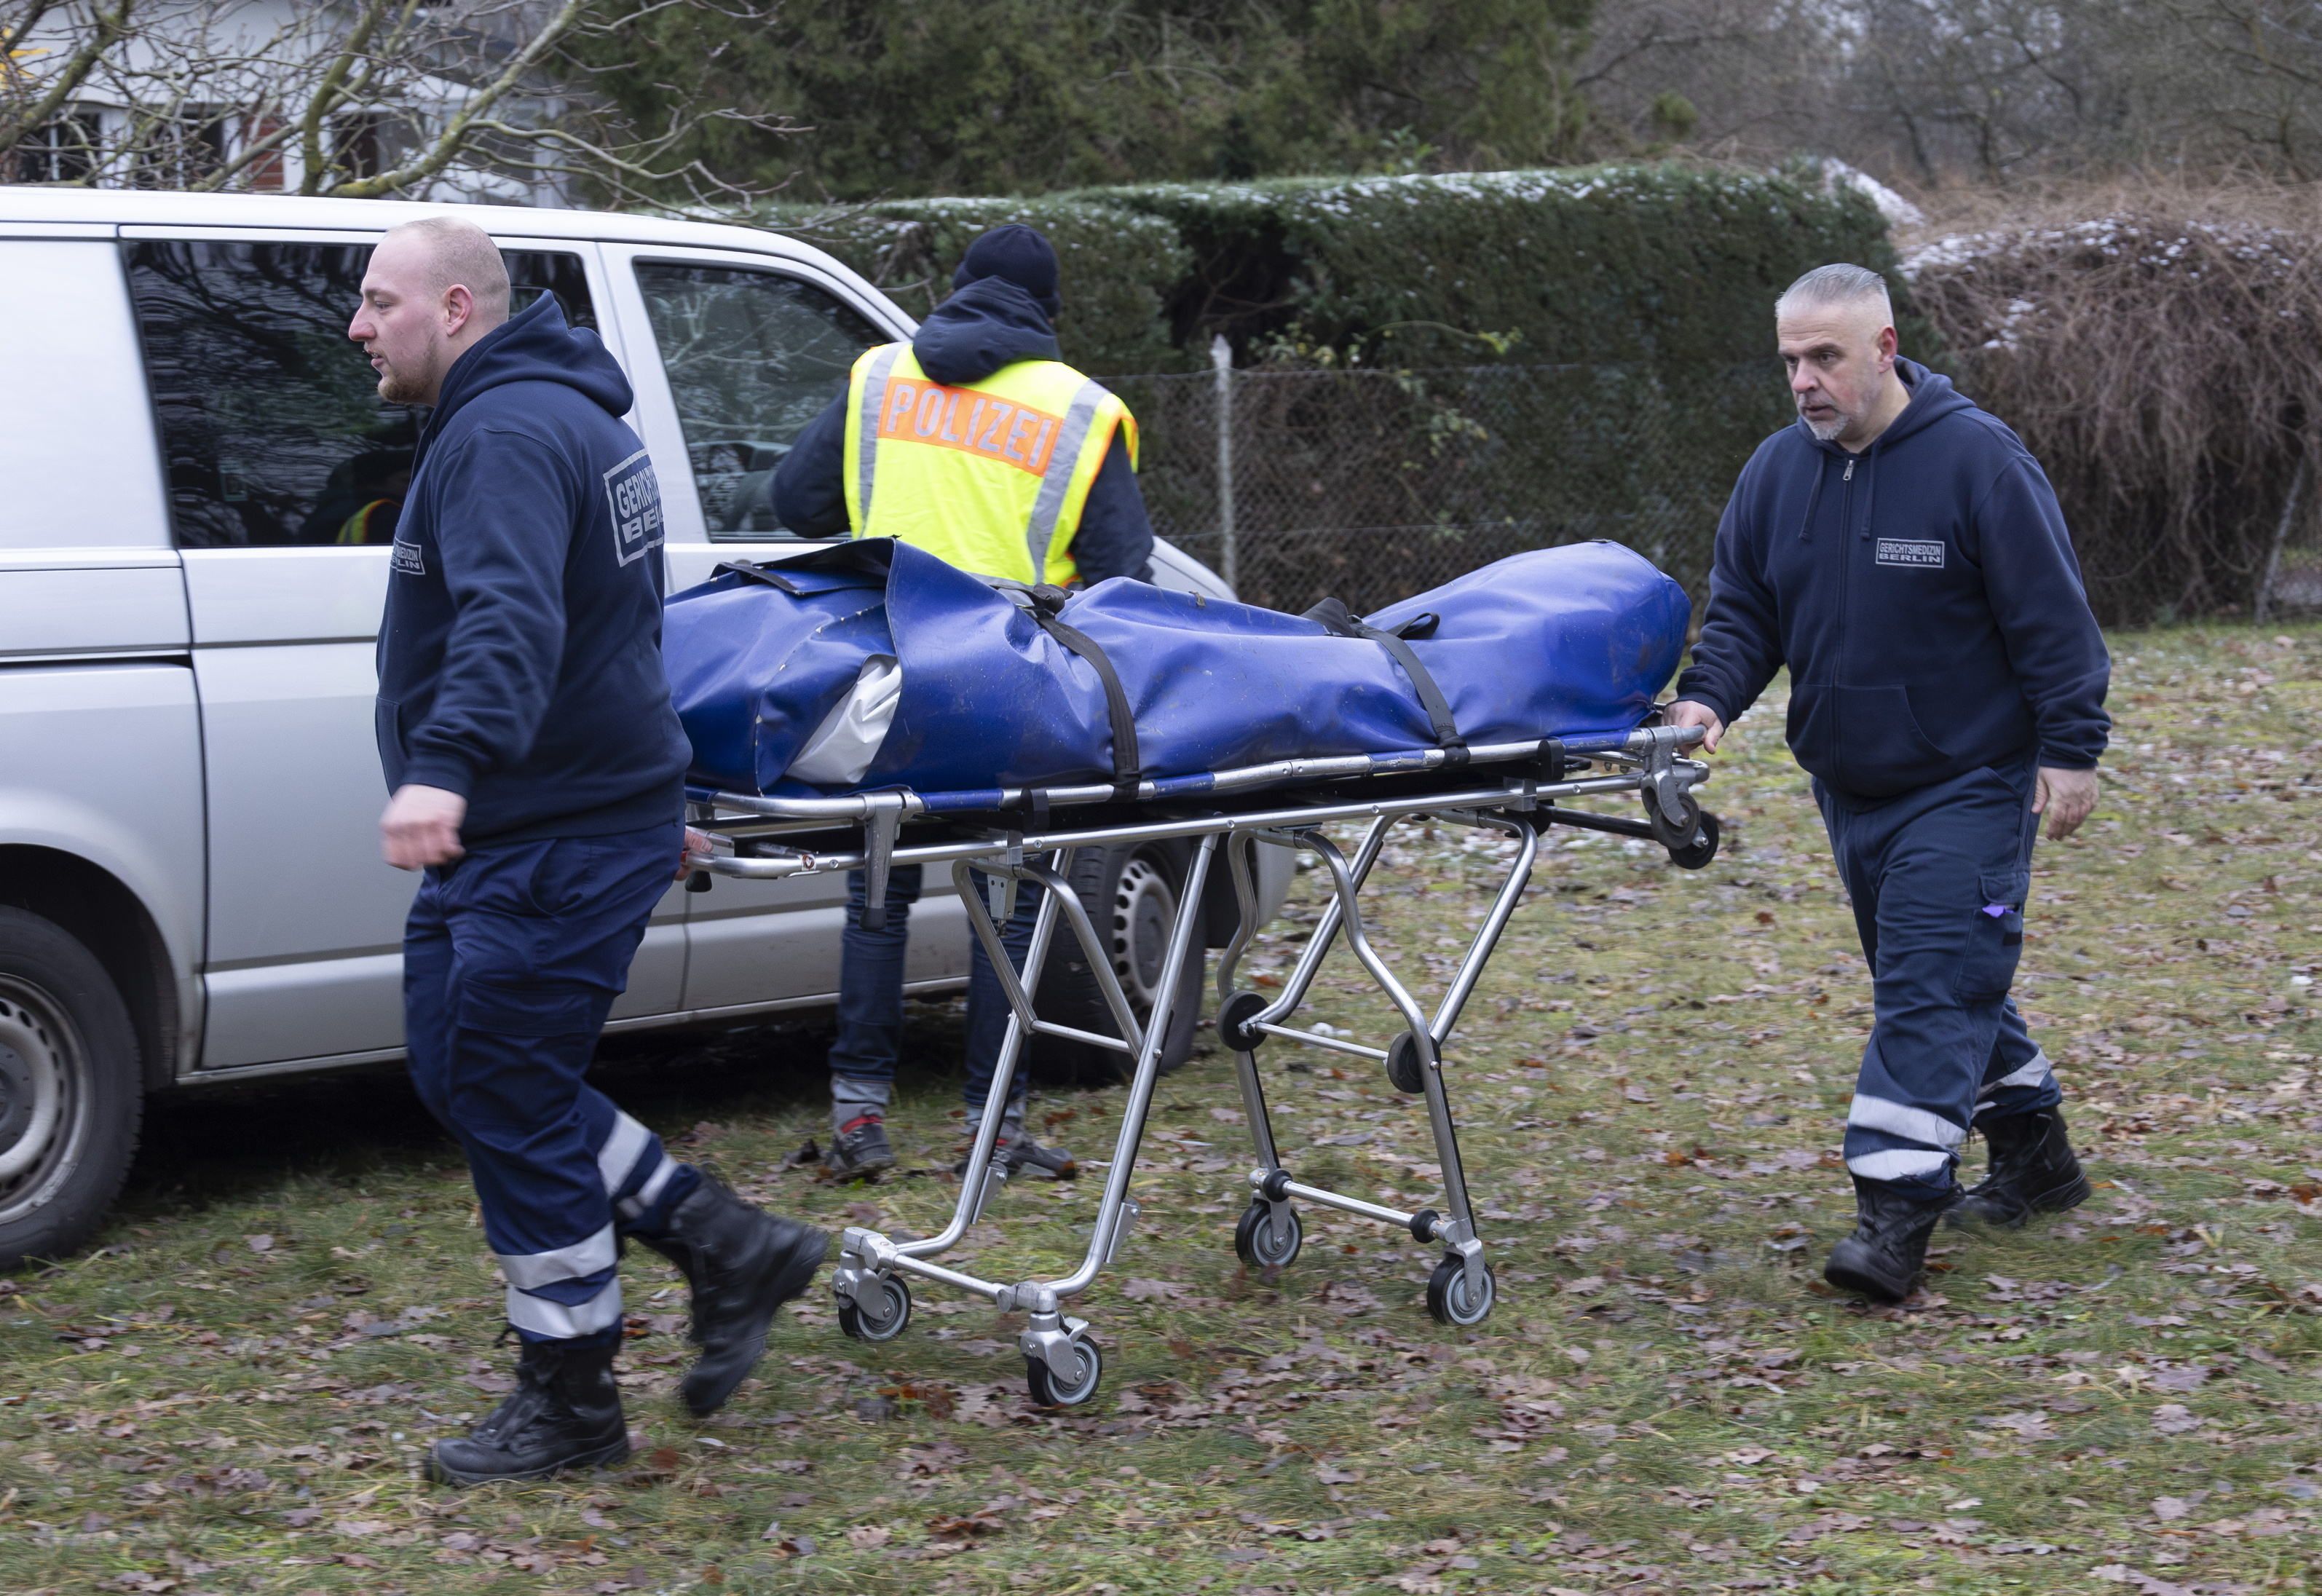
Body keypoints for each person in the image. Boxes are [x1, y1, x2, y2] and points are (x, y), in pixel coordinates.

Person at [355, 217, 827, 1485]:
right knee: (469, 1071)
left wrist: (444, 768)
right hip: (554, 820)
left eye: (379, 301)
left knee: (503, 1088)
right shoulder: (569, 419)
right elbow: (612, 627)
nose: (359, 327)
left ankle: (570, 1397)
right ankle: (721, 1239)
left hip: (542, 833)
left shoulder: (508, 432)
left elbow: (513, 621)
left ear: (456, 307)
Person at [1668, 263, 2109, 1305]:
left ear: (1883, 346)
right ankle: (2035, 1157)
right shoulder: (1775, 474)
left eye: (1824, 357)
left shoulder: (1977, 463)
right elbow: (1743, 615)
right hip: (1848, 785)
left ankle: (1892, 1214)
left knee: (1925, 984)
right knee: (1942, 974)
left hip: (1968, 776)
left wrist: (2070, 750)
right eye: (1788, 361)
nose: (1804, 383)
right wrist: (1703, 704)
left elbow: (2053, 620)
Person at [771, 224, 1156, 1182]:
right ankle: (995, 1130)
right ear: (1046, 313)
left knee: (875, 901)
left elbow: (794, 502)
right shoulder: (1078, 410)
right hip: (1005, 689)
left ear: (958, 292)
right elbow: (1125, 578)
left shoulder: (877, 379)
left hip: (885, 675)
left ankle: (858, 1122)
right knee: (1006, 913)